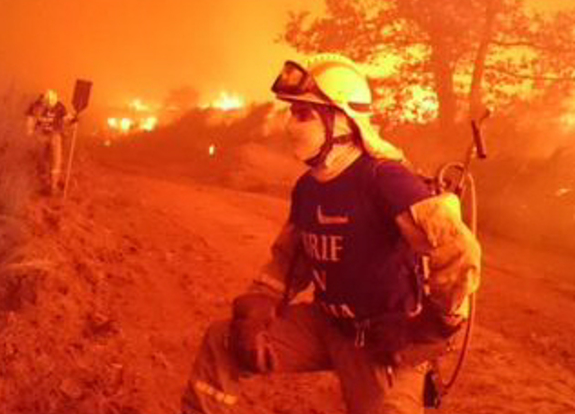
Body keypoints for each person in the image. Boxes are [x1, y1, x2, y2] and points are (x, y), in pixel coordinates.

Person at [180, 54, 481, 414]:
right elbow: (290, 259)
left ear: (340, 119)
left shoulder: (384, 179)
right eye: (292, 113)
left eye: (303, 114)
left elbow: (459, 250)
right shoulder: (308, 188)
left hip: (383, 342)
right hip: (326, 325)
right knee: (224, 340)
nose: (291, 124)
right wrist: (259, 303)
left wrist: (434, 324)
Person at [26, 89, 74, 195]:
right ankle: (45, 184)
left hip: (53, 136)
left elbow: (65, 119)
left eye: (52, 105)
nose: (49, 107)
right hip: (42, 135)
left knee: (55, 161)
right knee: (44, 161)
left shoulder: (59, 106)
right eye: (47, 104)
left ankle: (52, 186)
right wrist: (29, 131)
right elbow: (30, 119)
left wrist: (73, 119)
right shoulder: (37, 106)